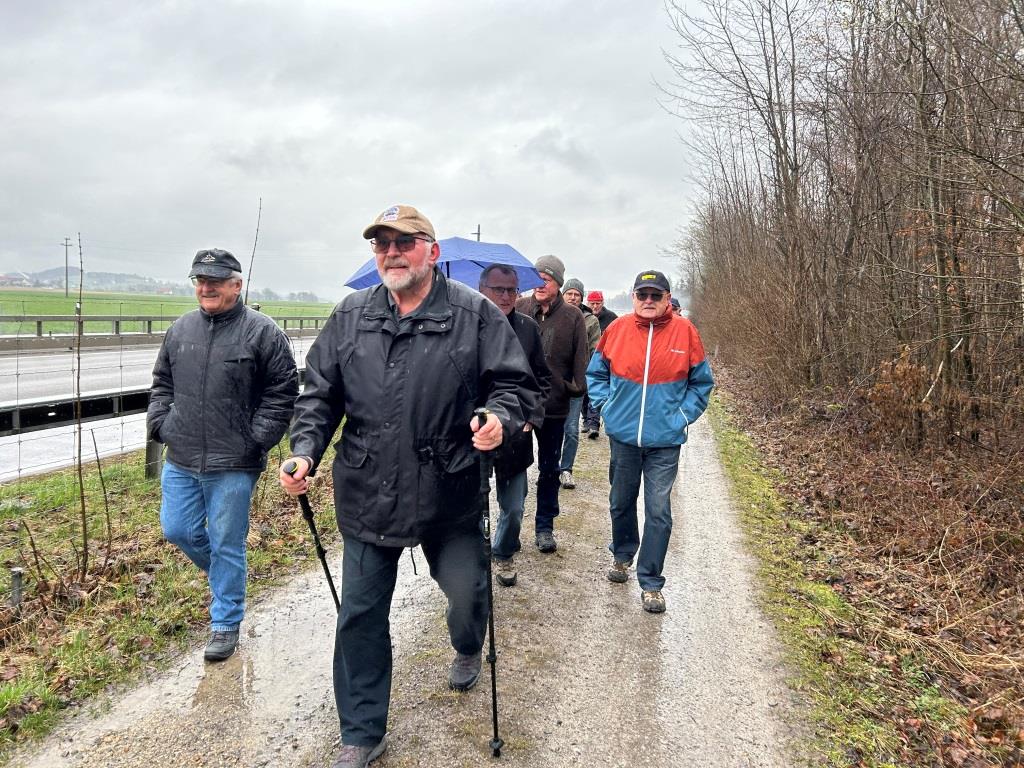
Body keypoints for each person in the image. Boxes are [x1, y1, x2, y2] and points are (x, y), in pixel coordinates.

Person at [278, 205, 540, 768]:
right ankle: (362, 731)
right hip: (369, 489)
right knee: (360, 614)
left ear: (432, 251)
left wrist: (499, 418)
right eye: (382, 244)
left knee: (469, 597)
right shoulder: (350, 316)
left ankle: (469, 646)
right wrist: (304, 452)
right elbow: (319, 396)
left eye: (404, 242)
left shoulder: (474, 315)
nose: (391, 253)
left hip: (449, 490)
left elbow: (516, 386)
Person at [147, 248, 298, 662]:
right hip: (181, 457)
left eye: (215, 280)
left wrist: (257, 439)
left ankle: (225, 622)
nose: (206, 287)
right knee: (177, 529)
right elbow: (162, 383)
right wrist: (162, 423)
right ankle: (227, 582)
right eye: (200, 280)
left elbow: (282, 392)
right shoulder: (180, 330)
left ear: (237, 284)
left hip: (234, 462)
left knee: (228, 543)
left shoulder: (262, 332)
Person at [586, 269, 714, 614]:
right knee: (620, 501)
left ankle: (651, 581)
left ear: (667, 299)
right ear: (633, 298)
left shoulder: (686, 333)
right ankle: (622, 554)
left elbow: (702, 384)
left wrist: (682, 417)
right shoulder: (617, 330)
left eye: (655, 295)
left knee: (658, 510)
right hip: (624, 437)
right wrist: (607, 407)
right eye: (642, 295)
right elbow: (595, 373)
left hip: (664, 441)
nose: (648, 301)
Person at [478, 265, 552, 587]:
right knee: (471, 508)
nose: (506, 296)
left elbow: (541, 380)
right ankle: (473, 558)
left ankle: (504, 552)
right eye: (498, 289)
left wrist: (532, 416)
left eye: (512, 290)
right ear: (482, 289)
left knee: (513, 507)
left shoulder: (527, 329)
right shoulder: (464, 326)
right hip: (473, 437)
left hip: (514, 433)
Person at [515, 256, 589, 553]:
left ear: (558, 282)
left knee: (549, 470)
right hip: (520, 407)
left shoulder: (573, 317)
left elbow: (580, 361)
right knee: (515, 469)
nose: (540, 284)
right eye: (536, 278)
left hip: (555, 409)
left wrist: (569, 390)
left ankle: (545, 526)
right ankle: (511, 528)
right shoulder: (519, 308)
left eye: (545, 278)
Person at [557, 278, 600, 490]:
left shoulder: (590, 321)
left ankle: (566, 469)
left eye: (577, 294)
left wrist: (586, 375)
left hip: (576, 383)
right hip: (553, 384)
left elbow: (595, 351)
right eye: (569, 293)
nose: (573, 297)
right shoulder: (552, 315)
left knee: (571, 429)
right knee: (551, 428)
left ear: (581, 298)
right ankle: (550, 468)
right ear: (563, 294)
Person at [582, 290, 618, 438]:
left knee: (595, 392)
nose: (595, 306)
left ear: (602, 303)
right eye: (592, 303)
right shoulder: (581, 317)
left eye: (598, 303)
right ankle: (587, 420)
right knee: (584, 394)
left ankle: (593, 424)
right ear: (587, 303)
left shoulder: (612, 318)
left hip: (604, 362)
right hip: (585, 360)